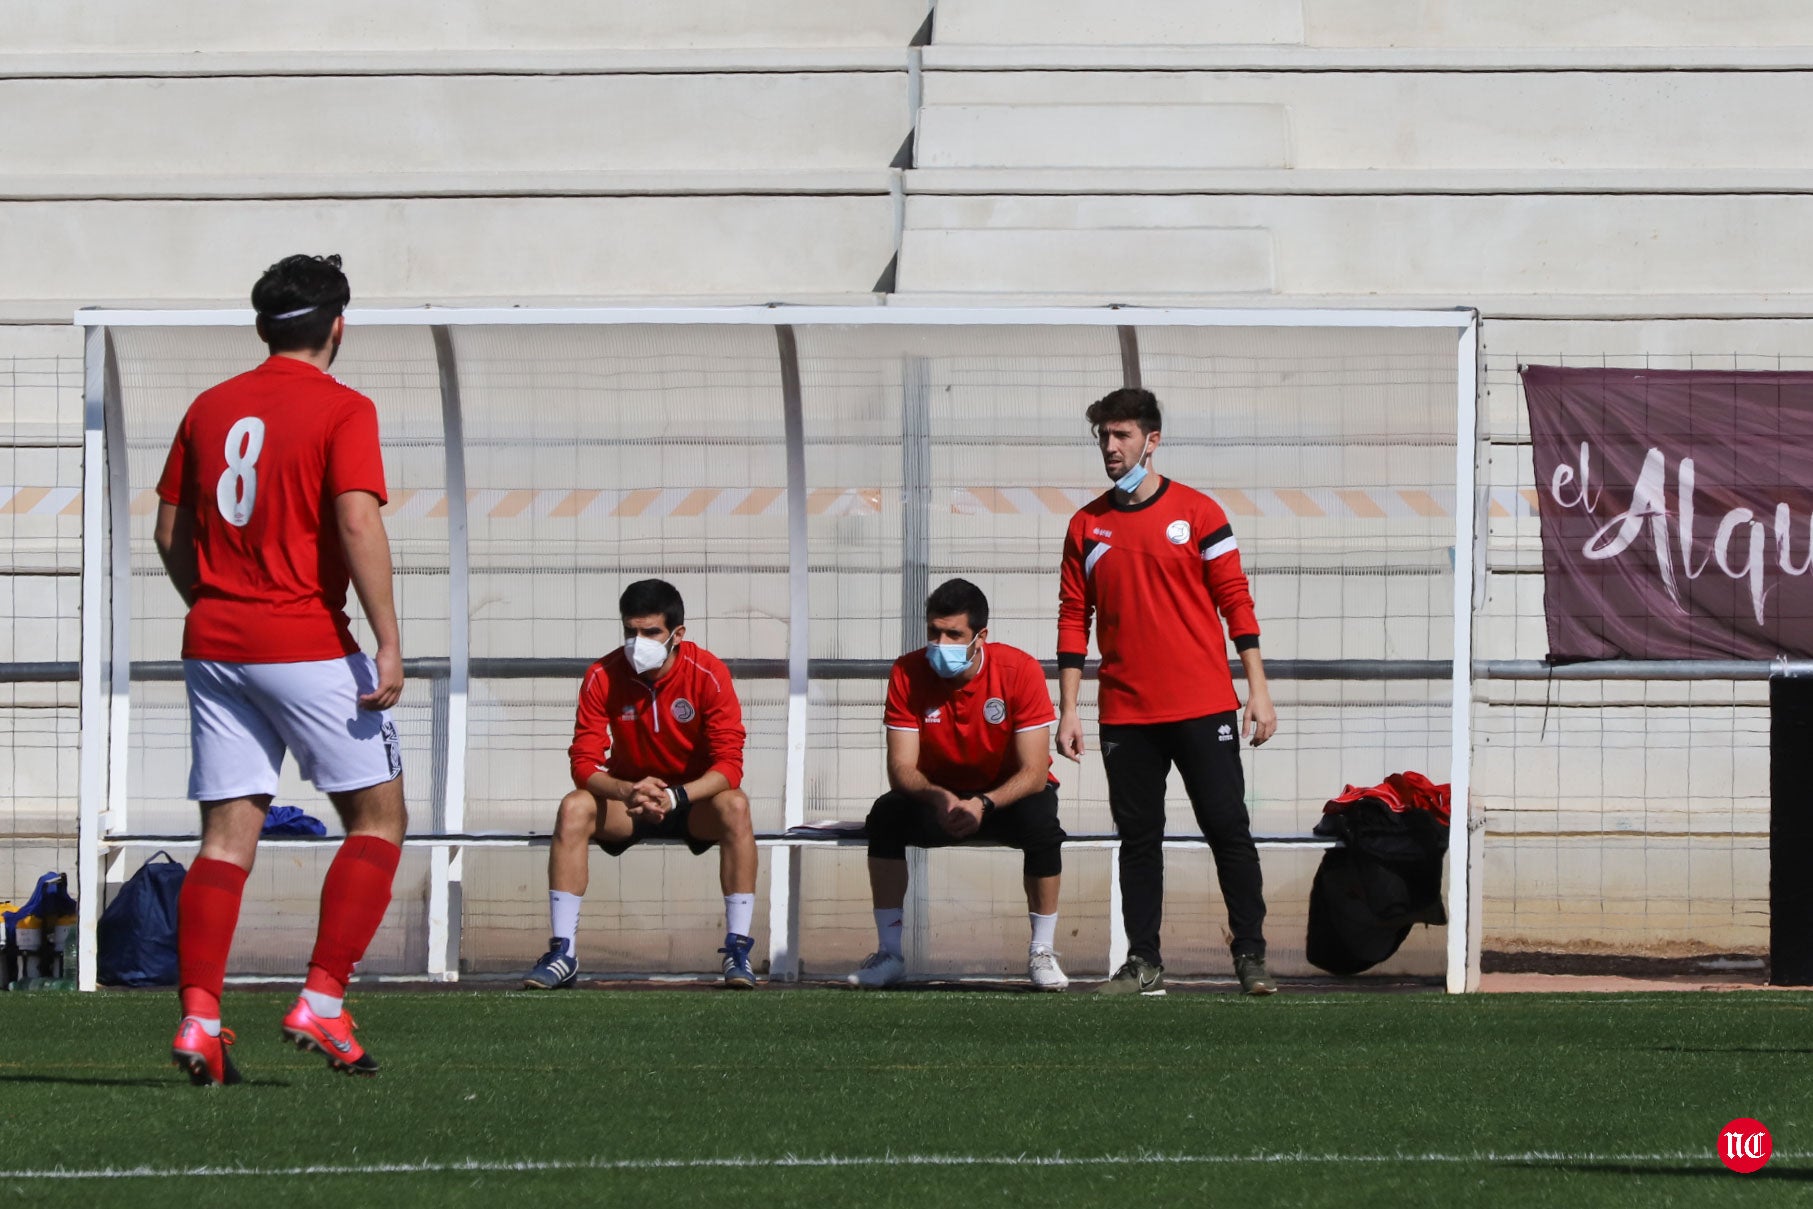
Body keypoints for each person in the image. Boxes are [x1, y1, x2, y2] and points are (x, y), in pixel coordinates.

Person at [154, 253, 407, 1085]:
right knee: (377, 818)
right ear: (338, 325)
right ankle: (323, 1000)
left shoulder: (209, 405)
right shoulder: (342, 408)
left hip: (214, 642)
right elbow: (358, 524)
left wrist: (219, 600)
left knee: (225, 838)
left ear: (264, 325)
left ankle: (199, 1018)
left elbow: (169, 533)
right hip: (301, 638)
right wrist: (388, 639)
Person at [1055, 387, 1280, 997]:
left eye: (1122, 435)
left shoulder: (1201, 514)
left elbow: (1237, 601)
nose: (1110, 446)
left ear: (1152, 442)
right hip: (1126, 713)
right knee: (1139, 839)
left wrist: (1257, 689)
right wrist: (1068, 710)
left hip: (1204, 705)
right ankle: (1145, 961)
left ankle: (1252, 956)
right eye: (1103, 435)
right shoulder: (1086, 524)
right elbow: (1074, 619)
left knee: (1228, 829)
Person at [524, 579, 759, 990]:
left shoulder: (709, 673)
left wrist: (675, 795)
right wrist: (626, 791)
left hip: (691, 804)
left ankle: (738, 950)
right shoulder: (602, 674)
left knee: (736, 804)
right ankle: (563, 952)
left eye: (650, 632)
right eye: (630, 632)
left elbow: (729, 766)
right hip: (629, 804)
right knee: (574, 806)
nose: (638, 642)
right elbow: (583, 763)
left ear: (677, 635)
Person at [849, 578, 1068, 991]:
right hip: (941, 803)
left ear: (981, 637)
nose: (940, 642)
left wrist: (983, 803)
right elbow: (900, 768)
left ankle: (1041, 951)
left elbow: (1035, 772)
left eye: (953, 634)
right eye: (934, 631)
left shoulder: (1019, 670)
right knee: (885, 815)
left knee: (1042, 818)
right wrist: (940, 799)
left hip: (1002, 799)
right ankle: (890, 954)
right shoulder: (907, 671)